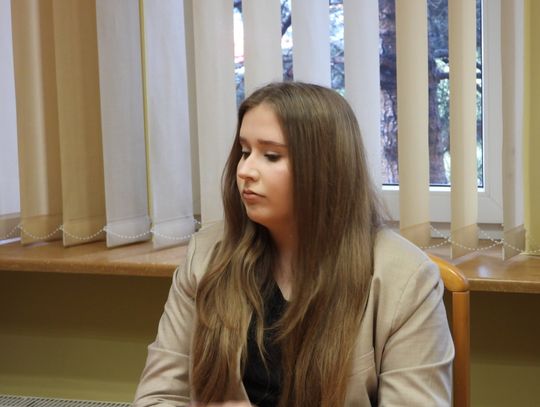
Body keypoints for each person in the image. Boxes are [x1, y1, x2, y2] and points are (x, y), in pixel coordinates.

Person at [133, 82, 454, 406]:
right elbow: (158, 396)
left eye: (271, 156)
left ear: (325, 168)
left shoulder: (406, 279)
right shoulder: (206, 255)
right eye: (244, 152)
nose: (245, 170)